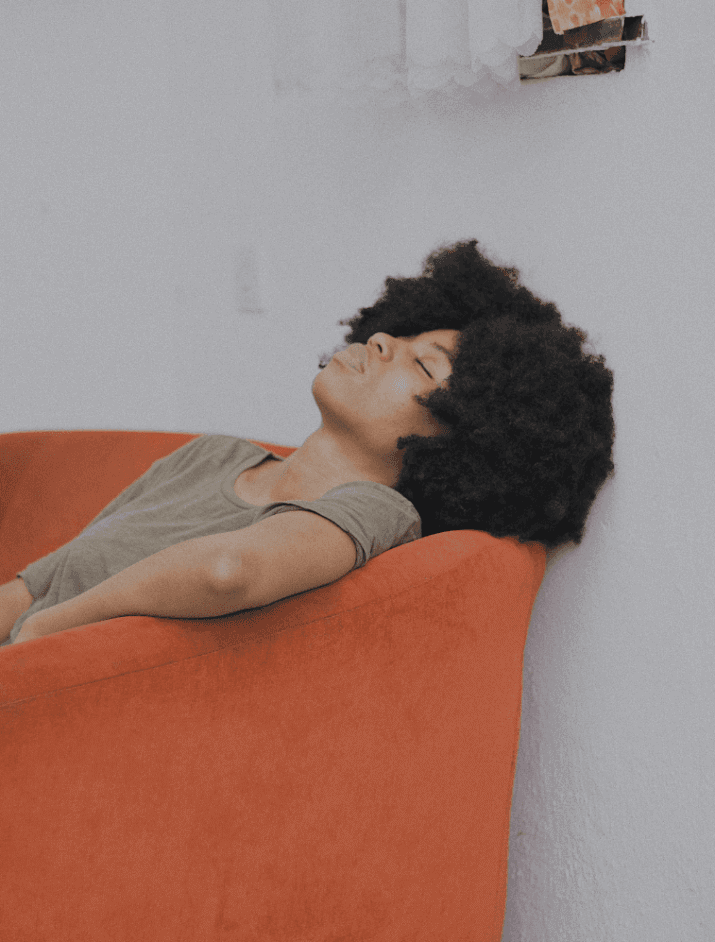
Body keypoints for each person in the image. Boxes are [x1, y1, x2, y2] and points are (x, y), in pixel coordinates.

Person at [0, 239, 615, 648]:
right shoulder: (209, 455)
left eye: (424, 364)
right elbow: (37, 584)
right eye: (398, 334)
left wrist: (45, 634)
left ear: (461, 444)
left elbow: (226, 570)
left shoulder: (376, 512)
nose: (381, 341)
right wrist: (31, 622)